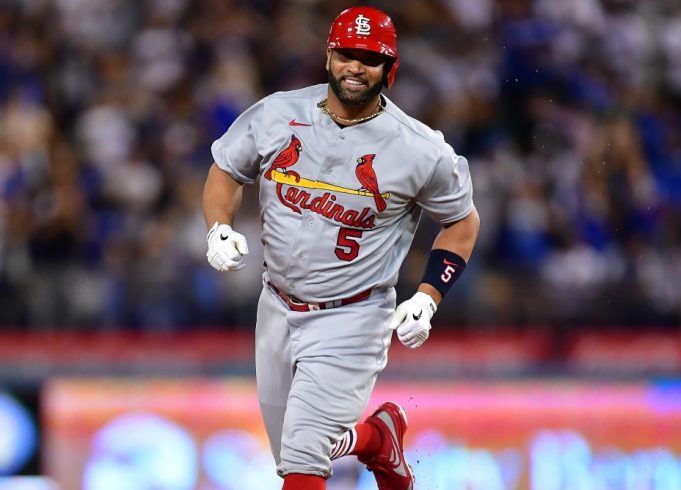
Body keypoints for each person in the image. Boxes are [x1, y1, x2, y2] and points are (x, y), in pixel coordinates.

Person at [201, 6, 480, 489]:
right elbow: (226, 169)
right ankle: (376, 438)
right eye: (348, 54)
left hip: (353, 315)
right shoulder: (278, 113)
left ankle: (369, 438)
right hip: (276, 302)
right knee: (292, 451)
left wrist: (428, 296)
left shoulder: (418, 147)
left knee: (304, 456)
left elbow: (462, 220)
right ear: (328, 57)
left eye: (370, 58)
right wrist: (217, 228)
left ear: (389, 69)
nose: (356, 67)